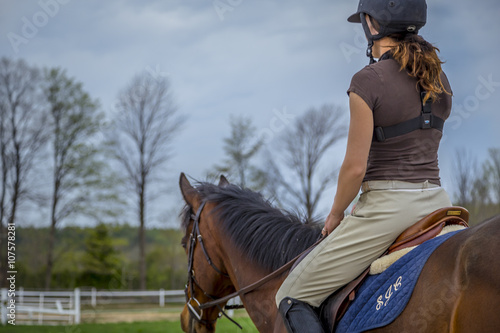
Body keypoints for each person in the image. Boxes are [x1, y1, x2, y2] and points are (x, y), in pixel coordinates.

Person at [275, 0, 453, 332]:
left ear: (371, 25)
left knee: (291, 295)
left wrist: (336, 213)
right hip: (439, 204)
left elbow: (355, 168)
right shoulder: (438, 79)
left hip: (389, 210)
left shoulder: (366, 81)